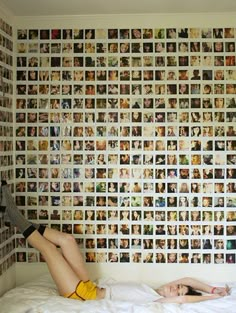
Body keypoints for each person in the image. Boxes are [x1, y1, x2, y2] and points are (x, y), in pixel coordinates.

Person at [0, 182, 230, 304]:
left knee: (51, 250)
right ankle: (19, 221)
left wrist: (212, 298)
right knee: (68, 240)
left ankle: (13, 215)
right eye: (177, 286)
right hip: (88, 284)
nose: (175, 288)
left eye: (177, 291)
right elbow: (188, 280)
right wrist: (211, 287)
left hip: (83, 295)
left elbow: (183, 298)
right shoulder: (151, 288)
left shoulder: (157, 300)